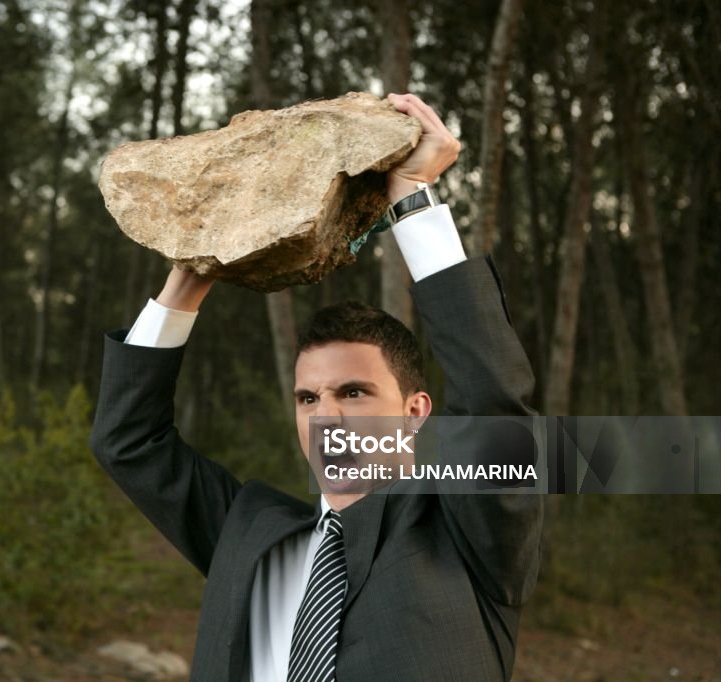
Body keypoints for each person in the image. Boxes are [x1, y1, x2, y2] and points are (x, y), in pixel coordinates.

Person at [89, 93, 543, 681]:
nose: (327, 416)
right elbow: (127, 442)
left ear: (415, 412)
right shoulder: (248, 534)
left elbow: (494, 403)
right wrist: (189, 275)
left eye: (353, 393)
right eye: (309, 398)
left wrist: (412, 199)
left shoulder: (467, 536)